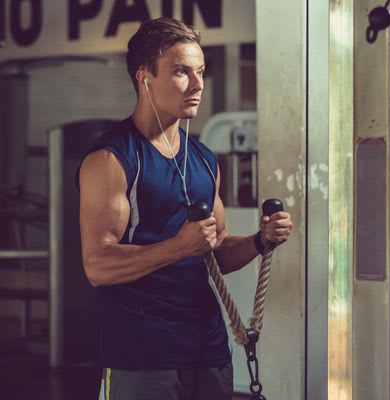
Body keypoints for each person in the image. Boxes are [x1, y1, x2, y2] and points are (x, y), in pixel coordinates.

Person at [78, 17, 292, 400]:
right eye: (181, 72)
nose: (198, 85)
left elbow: (217, 251)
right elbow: (98, 265)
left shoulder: (205, 160)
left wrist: (261, 240)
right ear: (145, 78)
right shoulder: (112, 159)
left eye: (200, 72)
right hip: (142, 353)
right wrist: (179, 246)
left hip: (207, 347)